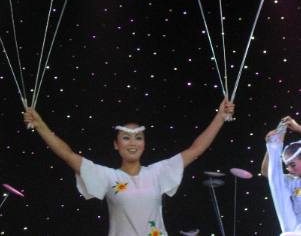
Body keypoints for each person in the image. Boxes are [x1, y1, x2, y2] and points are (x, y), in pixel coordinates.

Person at [23, 97, 234, 236]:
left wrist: (220, 117)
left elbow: (195, 149)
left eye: (138, 138)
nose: (132, 143)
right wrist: (40, 124)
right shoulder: (107, 176)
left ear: (144, 143)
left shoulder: (158, 172)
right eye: (126, 138)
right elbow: (67, 155)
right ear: (116, 144)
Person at [261, 116, 301, 235]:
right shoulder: (292, 180)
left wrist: (298, 128)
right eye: (287, 165)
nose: (289, 169)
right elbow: (267, 172)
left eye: (292, 165)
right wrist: (273, 146)